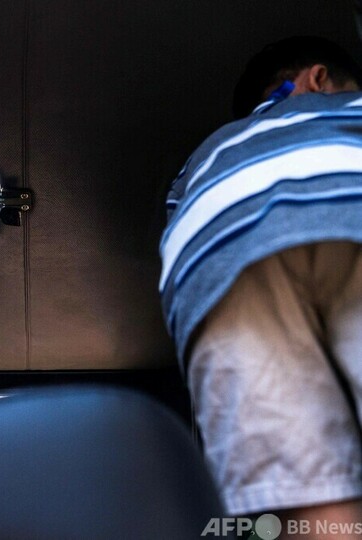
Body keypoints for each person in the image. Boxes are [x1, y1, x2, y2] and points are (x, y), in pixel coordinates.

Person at [160, 36, 362, 536]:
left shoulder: (208, 154)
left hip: (215, 259)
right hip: (349, 196)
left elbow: (172, 218)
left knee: (309, 504)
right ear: (318, 79)